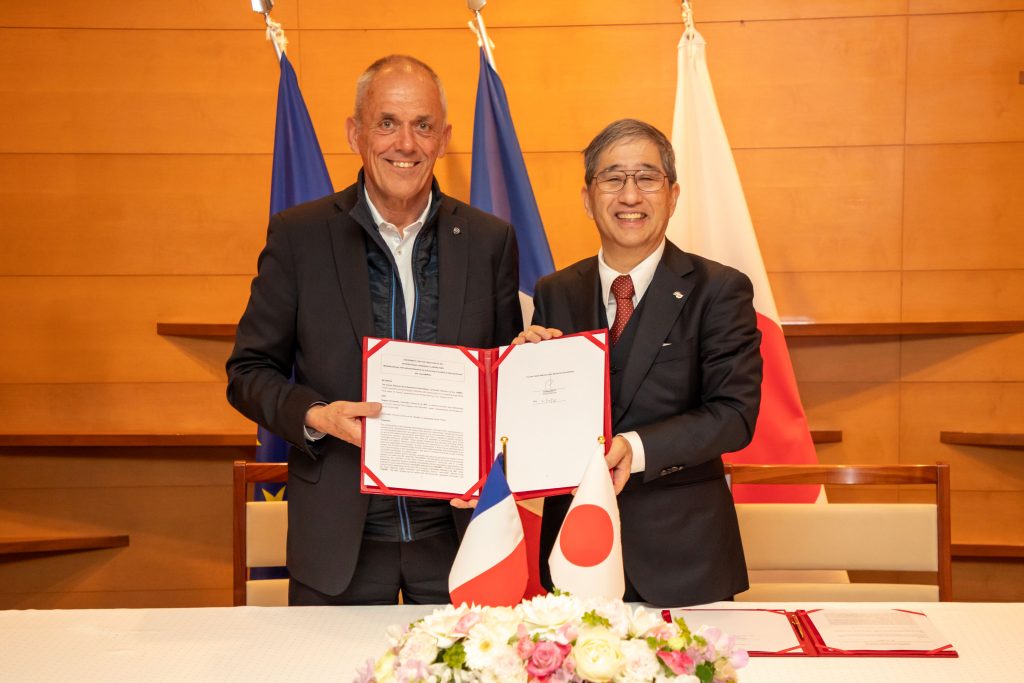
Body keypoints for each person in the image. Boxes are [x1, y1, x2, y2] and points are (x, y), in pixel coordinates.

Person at [226, 55, 521, 605]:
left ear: (444, 137)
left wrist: (528, 366)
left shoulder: (489, 241)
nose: (405, 143)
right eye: (387, 122)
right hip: (340, 539)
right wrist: (316, 416)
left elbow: (500, 379)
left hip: (460, 539)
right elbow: (247, 372)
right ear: (355, 132)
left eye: (423, 125)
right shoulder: (300, 237)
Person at [518, 119, 762, 606]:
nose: (630, 195)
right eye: (612, 178)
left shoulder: (719, 289)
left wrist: (636, 446)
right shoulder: (555, 292)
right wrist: (521, 377)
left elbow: (734, 416)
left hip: (684, 563)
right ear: (588, 198)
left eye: (646, 178)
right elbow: (543, 426)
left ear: (672, 195)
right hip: (574, 555)